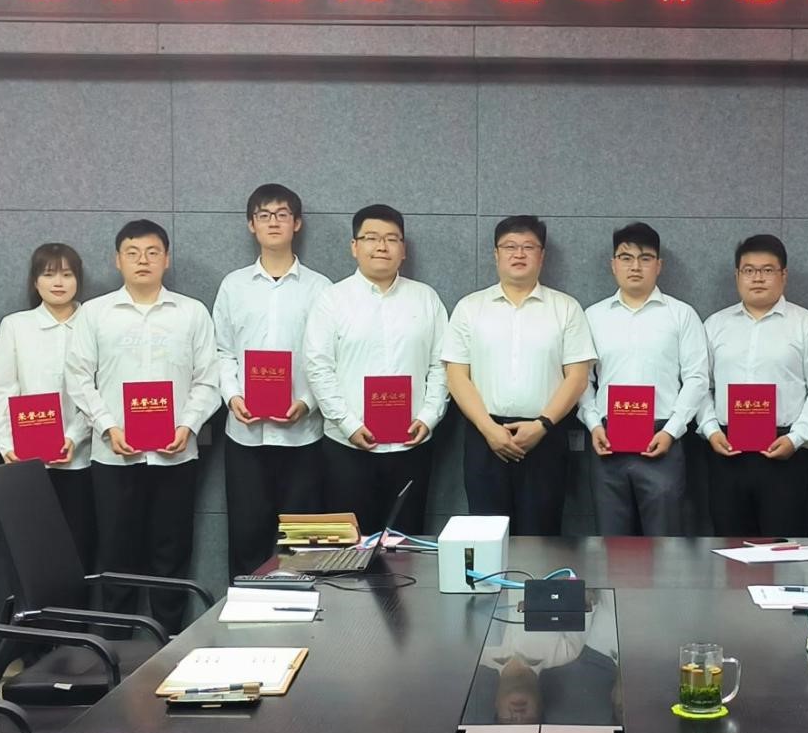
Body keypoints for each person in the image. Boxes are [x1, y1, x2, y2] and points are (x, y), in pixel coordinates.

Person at [66, 219, 219, 634]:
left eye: (153, 252)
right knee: (118, 555)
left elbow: (209, 379)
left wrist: (188, 426)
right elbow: (78, 378)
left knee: (172, 553)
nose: (143, 260)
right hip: (114, 455)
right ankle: (117, 648)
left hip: (176, 454)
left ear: (166, 259)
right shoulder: (95, 313)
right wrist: (107, 427)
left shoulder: (191, 312)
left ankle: (168, 642)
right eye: (132, 253)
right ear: (117, 260)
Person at [443, 215, 596, 536]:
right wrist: (489, 429)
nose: (519, 254)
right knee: (486, 536)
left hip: (546, 437)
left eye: (529, 246)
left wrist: (542, 425)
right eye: (510, 246)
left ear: (542, 255)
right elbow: (456, 376)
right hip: (485, 438)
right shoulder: (470, 308)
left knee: (541, 537)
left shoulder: (566, 308)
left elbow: (578, 377)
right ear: (496, 254)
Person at [303, 203, 447, 536]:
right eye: (371, 237)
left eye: (391, 239)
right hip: (347, 447)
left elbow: (441, 366)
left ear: (403, 250)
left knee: (406, 546)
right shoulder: (332, 300)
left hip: (410, 445)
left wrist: (429, 416)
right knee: (349, 547)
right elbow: (318, 367)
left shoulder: (426, 299)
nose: (381, 246)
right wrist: (348, 424)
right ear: (354, 247)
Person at [213, 184, 333, 577]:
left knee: (304, 547)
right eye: (264, 215)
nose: (273, 222)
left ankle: (305, 611)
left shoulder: (320, 288)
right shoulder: (233, 285)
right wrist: (233, 397)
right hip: (245, 436)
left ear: (297, 223)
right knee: (246, 539)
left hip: (304, 436)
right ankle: (244, 612)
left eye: (282, 214)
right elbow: (223, 352)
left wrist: (307, 402)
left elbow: (326, 358)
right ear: (252, 225)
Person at [699, 233, 808, 537]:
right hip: (727, 450)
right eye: (749, 270)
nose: (757, 278)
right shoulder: (714, 325)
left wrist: (797, 438)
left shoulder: (807, 324)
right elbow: (701, 385)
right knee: (730, 546)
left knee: (783, 547)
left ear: (783, 275)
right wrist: (710, 430)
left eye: (767, 270)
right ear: (737, 275)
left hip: (785, 452)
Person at [578, 222, 709, 535]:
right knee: (612, 543)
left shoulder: (682, 315)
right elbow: (581, 380)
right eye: (626, 258)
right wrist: (593, 424)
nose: (635, 266)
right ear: (613, 264)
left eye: (645, 258)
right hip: (607, 440)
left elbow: (696, 378)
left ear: (658, 265)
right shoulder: (592, 316)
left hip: (662, 438)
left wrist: (672, 431)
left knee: (664, 542)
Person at [0, 243, 96, 571]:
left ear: (78, 280)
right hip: (26, 460)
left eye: (67, 274)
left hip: (83, 458)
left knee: (80, 550)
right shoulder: (16, 325)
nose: (58, 282)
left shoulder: (95, 320)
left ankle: (76, 609)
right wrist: (7, 445)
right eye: (48, 274)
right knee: (31, 552)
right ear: (35, 281)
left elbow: (99, 390)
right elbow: (1, 391)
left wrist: (73, 436)